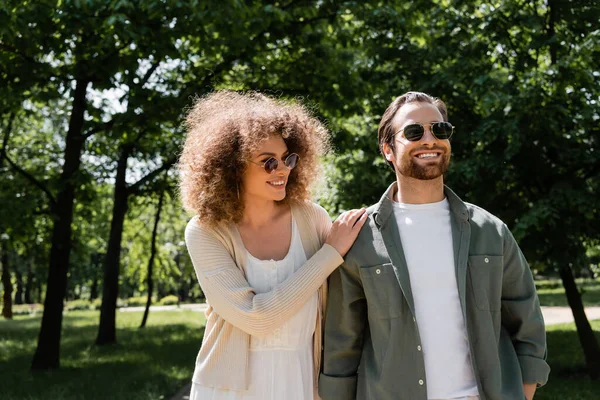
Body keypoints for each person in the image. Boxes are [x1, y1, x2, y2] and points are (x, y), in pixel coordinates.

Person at [319, 91, 550, 400]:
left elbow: (526, 316)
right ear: (388, 149)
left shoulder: (490, 231)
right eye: (414, 132)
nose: (429, 139)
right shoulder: (360, 238)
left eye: (439, 129)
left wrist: (525, 388)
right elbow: (342, 339)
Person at [179, 90, 367, 400]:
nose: (283, 169)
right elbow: (257, 318)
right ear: (233, 166)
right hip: (228, 390)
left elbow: (339, 305)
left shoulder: (312, 218)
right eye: (268, 162)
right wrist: (329, 254)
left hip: (303, 382)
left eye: (287, 158)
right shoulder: (205, 231)